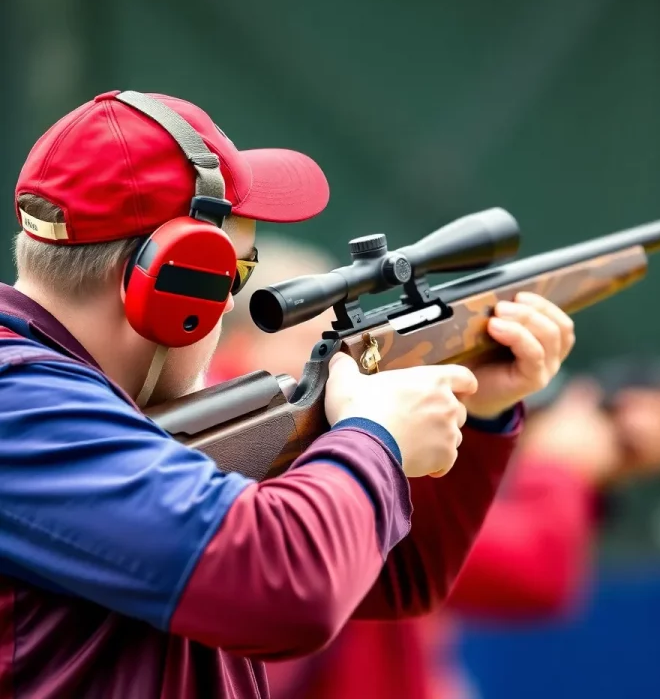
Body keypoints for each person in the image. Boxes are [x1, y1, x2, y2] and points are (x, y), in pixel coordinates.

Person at [0, 90, 577, 698]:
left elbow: (395, 577)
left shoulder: (69, 407)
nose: (229, 305)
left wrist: (477, 404)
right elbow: (286, 588)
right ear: (175, 284)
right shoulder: (22, 407)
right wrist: (372, 437)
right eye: (236, 275)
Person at [208, 234, 660, 699]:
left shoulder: (287, 451)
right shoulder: (253, 460)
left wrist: (489, 413)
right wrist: (561, 467)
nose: (349, 368)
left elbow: (423, 569)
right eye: (317, 349)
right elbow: (527, 572)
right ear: (238, 351)